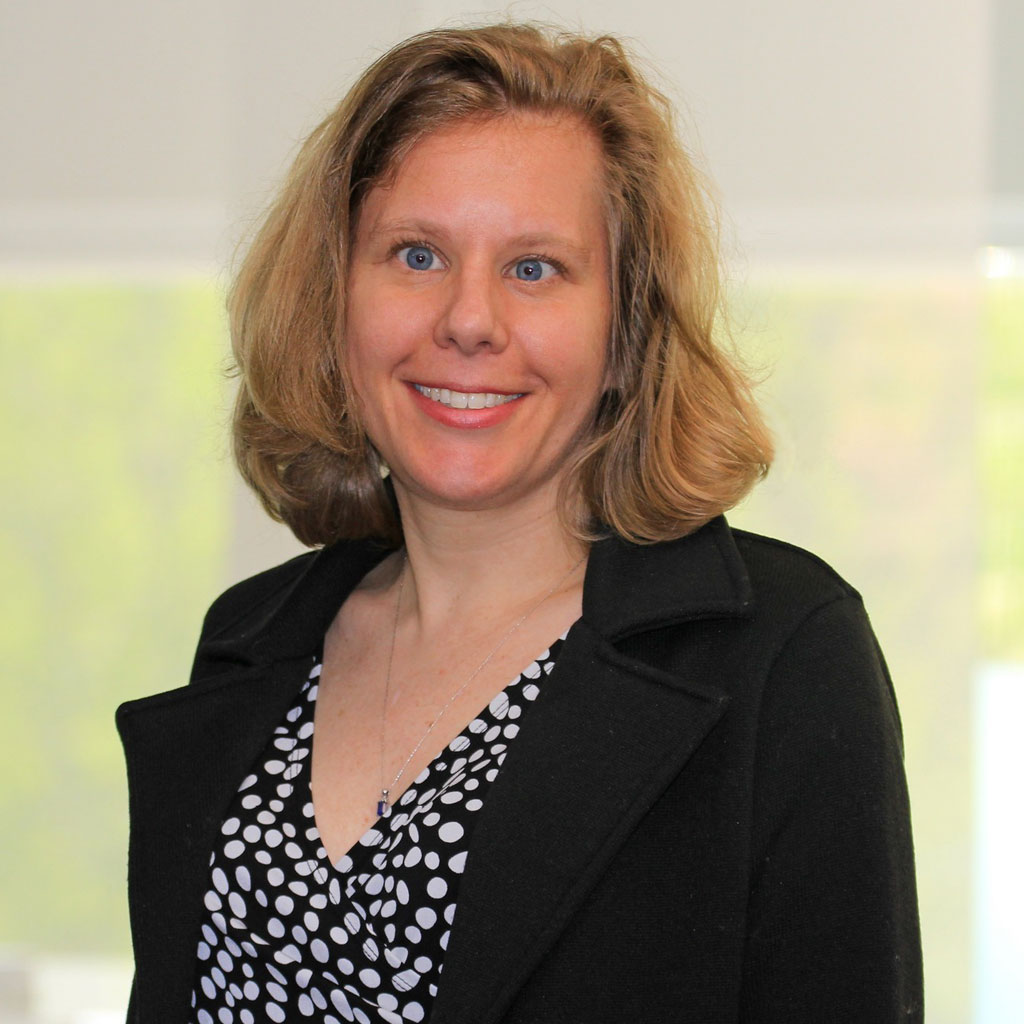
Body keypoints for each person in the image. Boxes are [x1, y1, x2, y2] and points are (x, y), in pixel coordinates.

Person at [117, 22, 922, 1024]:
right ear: (335, 304)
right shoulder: (254, 645)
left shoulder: (777, 652)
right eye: (415, 254)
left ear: (624, 331)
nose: (468, 318)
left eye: (534, 268)